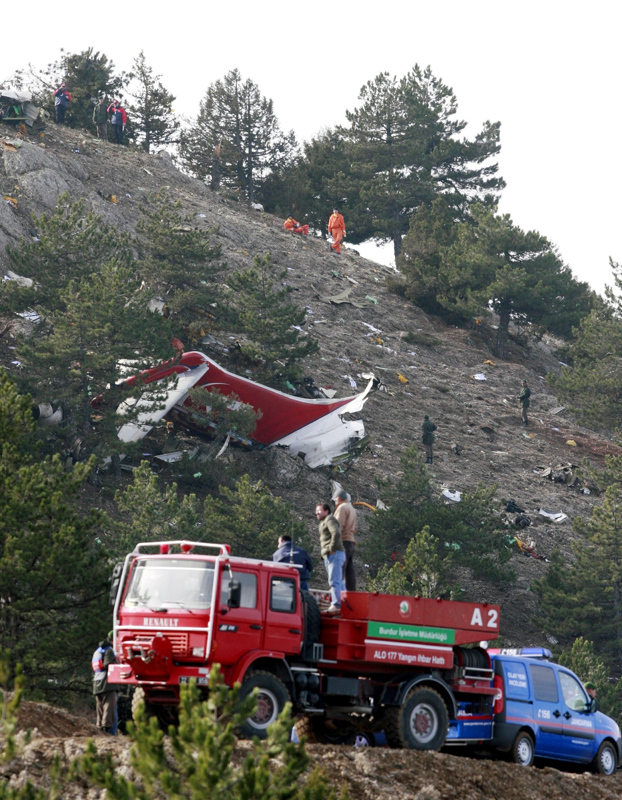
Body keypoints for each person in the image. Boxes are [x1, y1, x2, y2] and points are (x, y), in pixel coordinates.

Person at [315, 502, 345, 615]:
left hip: (334, 554)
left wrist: (331, 548)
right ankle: (344, 602)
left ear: (326, 511)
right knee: (339, 581)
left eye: (319, 510)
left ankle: (337, 604)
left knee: (334, 580)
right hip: (331, 555)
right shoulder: (325, 522)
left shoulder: (329, 520)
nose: (316, 513)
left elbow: (336, 533)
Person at [92, 633, 117, 734]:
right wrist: (118, 665)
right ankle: (106, 730)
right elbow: (108, 664)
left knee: (100, 708)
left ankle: (99, 729)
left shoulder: (97, 650)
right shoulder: (109, 650)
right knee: (108, 706)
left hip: (96, 681)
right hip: (107, 682)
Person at [333, 489, 357, 591]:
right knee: (349, 569)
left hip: (343, 541)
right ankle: (351, 592)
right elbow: (355, 527)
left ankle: (338, 591)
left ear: (338, 498)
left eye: (334, 500)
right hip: (351, 541)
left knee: (339, 567)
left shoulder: (342, 508)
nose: (334, 503)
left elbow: (338, 526)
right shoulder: (352, 508)